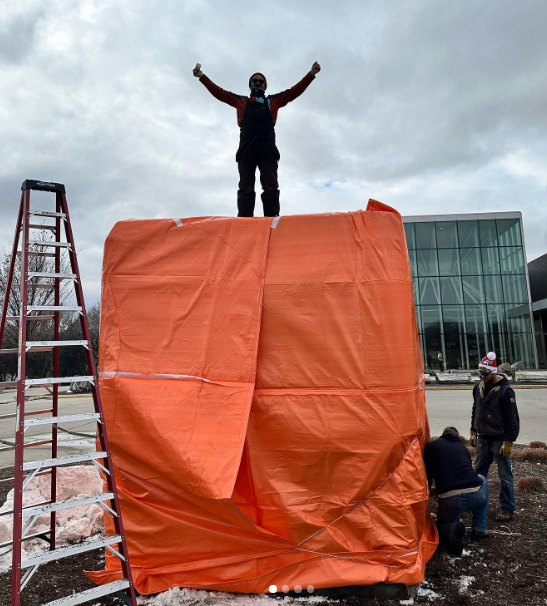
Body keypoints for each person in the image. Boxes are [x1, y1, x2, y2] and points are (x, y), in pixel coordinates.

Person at [193, 62, 321, 217]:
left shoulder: (272, 101)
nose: (258, 83)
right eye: (255, 81)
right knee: (245, 186)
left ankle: (272, 221)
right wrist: (202, 77)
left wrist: (311, 74)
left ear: (265, 85)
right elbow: (220, 93)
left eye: (261, 81)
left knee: (270, 184)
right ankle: (245, 222)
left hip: (267, 147)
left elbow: (294, 91)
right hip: (246, 148)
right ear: (250, 85)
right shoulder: (241, 101)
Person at [470, 352, 520, 522]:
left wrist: (508, 441)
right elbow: (475, 409)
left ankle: (507, 509)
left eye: (485, 374)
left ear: (493, 372)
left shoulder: (506, 392)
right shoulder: (478, 388)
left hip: (499, 439)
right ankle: (475, 504)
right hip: (483, 437)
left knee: (505, 476)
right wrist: (473, 430)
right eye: (480, 374)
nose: (482, 377)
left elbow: (512, 419)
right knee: (478, 474)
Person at [424, 427, 489, 556]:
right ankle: (479, 529)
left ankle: (451, 529)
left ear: (443, 434)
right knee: (482, 479)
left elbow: (428, 474)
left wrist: (428, 492)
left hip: (451, 499)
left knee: (443, 525)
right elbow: (461, 474)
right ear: (457, 436)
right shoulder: (463, 448)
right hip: (474, 494)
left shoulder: (432, 447)